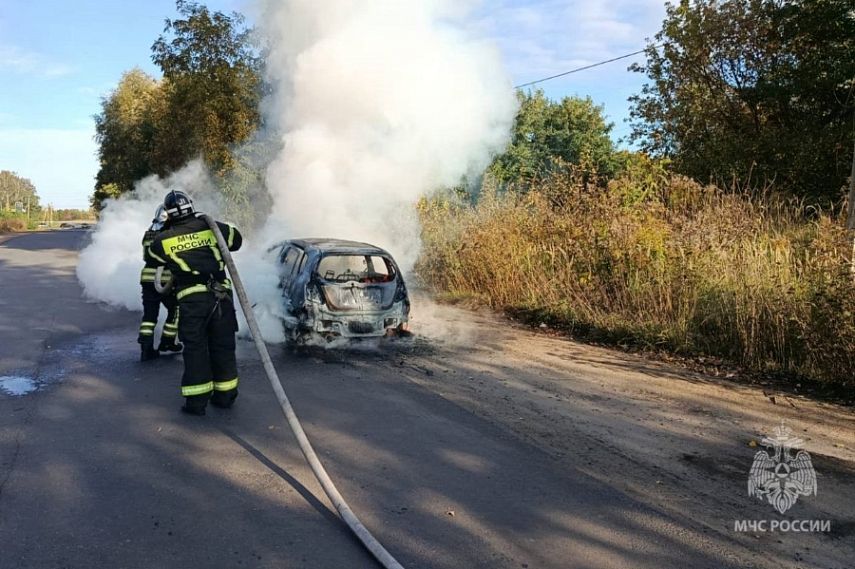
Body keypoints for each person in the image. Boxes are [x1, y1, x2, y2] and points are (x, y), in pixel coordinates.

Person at [147, 190, 243, 415]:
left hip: (191, 302)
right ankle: (225, 397)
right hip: (221, 298)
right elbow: (236, 240)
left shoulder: (162, 240)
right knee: (223, 347)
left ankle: (197, 403)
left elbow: (152, 257)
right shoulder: (213, 228)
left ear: (168, 214)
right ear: (191, 206)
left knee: (195, 350)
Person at [138, 205, 182, 361]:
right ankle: (168, 342)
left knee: (149, 315)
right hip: (165, 280)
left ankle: (146, 348)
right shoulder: (170, 233)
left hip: (147, 279)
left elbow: (147, 257)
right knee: (176, 309)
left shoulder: (148, 232)